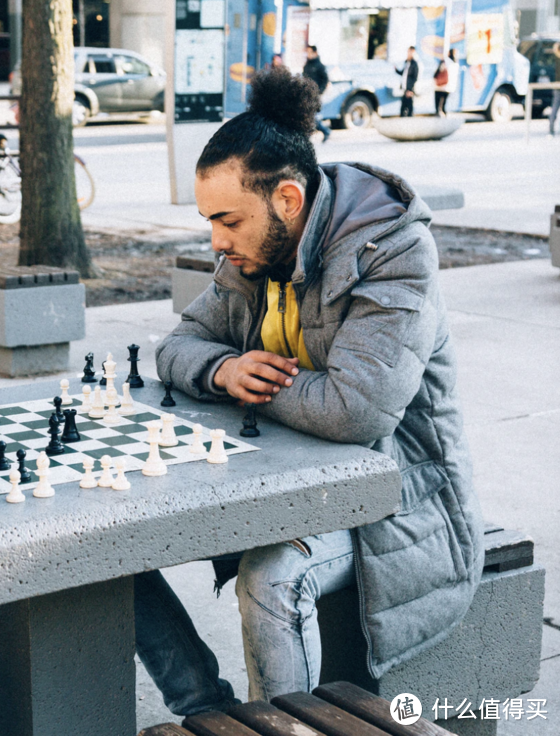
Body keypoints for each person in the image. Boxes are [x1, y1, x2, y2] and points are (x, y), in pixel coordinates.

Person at [137, 66, 482, 715]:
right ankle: (209, 711)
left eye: (227, 220)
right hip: (290, 477)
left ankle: (280, 726)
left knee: (270, 576)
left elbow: (357, 409)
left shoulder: (394, 248)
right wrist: (226, 371)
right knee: (113, 543)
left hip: (399, 495)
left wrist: (258, 390)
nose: (216, 240)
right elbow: (175, 348)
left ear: (288, 201)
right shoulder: (256, 253)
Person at [302, 46, 330, 142]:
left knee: (309, 116)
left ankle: (312, 135)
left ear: (315, 53)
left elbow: (325, 80)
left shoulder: (319, 66)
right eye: (307, 52)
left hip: (314, 95)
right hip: (306, 94)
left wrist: (319, 91)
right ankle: (324, 131)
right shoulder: (306, 65)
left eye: (310, 52)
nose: (308, 54)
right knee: (308, 116)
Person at [396, 46, 419, 117]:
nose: (408, 54)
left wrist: (410, 89)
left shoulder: (414, 64)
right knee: (403, 108)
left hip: (409, 89)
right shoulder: (407, 63)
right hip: (404, 88)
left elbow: (414, 78)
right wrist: (396, 70)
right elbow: (403, 74)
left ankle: (409, 124)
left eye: (410, 52)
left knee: (409, 108)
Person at [434, 49, 454, 116]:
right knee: (444, 101)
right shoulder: (453, 62)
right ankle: (443, 112)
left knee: (439, 100)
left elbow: (439, 71)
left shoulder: (445, 62)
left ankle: (439, 112)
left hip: (441, 85)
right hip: (448, 86)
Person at [549, 42, 560, 136]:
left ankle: (551, 129)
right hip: (557, 86)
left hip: (557, 86)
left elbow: (555, 48)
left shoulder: (556, 58)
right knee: (554, 108)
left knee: (554, 108)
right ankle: (551, 129)